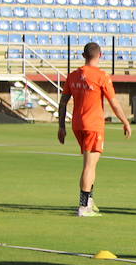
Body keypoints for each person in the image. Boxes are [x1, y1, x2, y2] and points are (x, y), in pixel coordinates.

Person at [57, 42, 132, 217]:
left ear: (83, 55)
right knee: (90, 166)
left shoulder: (73, 75)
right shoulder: (102, 76)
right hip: (93, 125)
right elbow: (113, 102)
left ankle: (90, 200)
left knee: (89, 164)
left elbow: (62, 103)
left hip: (77, 124)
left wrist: (61, 126)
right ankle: (84, 206)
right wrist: (125, 121)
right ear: (101, 55)